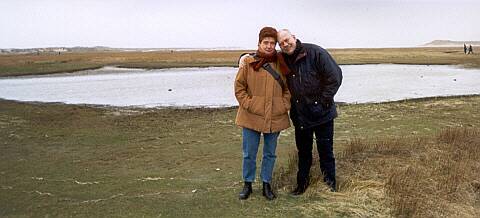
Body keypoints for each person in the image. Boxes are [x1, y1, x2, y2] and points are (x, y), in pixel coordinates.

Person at [277, 29, 343, 195]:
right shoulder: (281, 59)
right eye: (281, 43)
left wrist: (322, 102)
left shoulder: (315, 52)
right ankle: (302, 185)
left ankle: (330, 185)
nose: (285, 44)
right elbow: (261, 55)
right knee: (304, 153)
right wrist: (243, 58)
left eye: (287, 40)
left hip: (323, 114)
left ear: (294, 37)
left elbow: (335, 77)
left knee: (326, 151)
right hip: (300, 117)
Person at [234, 27, 291, 200]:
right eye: (265, 42)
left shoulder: (282, 64)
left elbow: (288, 90)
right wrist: (249, 104)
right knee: (249, 153)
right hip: (250, 116)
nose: (268, 46)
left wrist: (283, 105)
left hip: (275, 116)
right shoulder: (248, 62)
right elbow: (239, 88)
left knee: (270, 153)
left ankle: (266, 184)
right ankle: (248, 184)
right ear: (259, 43)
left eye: (272, 43)